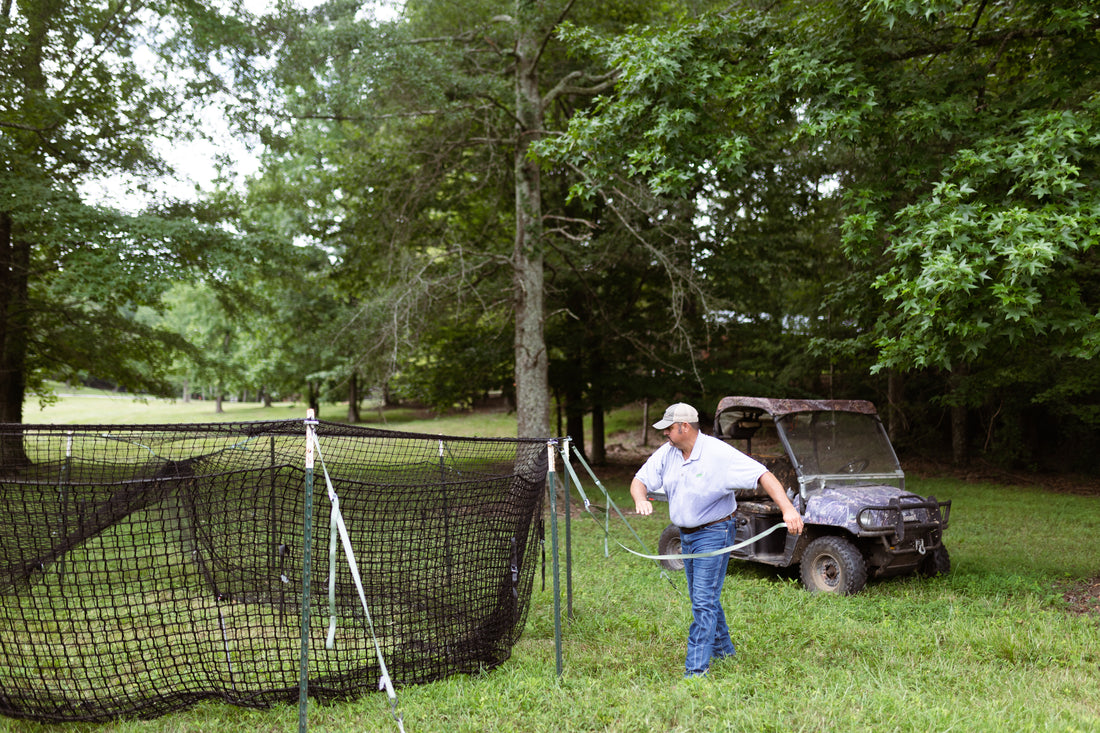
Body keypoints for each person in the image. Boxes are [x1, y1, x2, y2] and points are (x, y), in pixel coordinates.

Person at [630, 402, 804, 678]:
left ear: (684, 427)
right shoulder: (668, 453)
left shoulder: (718, 453)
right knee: (704, 597)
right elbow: (639, 480)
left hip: (715, 532)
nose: (665, 434)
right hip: (685, 536)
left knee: (702, 600)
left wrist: (788, 509)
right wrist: (640, 499)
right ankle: (723, 650)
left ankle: (696, 671)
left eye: (669, 429)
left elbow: (764, 475)